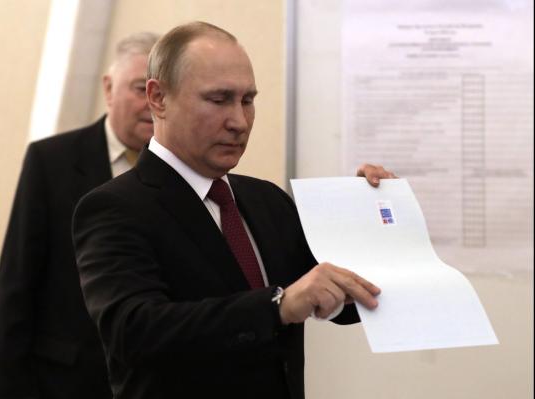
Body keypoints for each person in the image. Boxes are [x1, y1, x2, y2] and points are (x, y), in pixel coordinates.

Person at [72, 22, 394, 399]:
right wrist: (278, 307)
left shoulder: (267, 201)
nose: (239, 122)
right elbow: (133, 331)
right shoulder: (113, 208)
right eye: (218, 99)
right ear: (158, 97)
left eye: (247, 100)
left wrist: (374, 224)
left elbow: (338, 300)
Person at [0, 32, 159, 399]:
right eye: (136, 89)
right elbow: (16, 287)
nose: (149, 104)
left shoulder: (175, 173)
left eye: (157, 94)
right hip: (64, 380)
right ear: (109, 88)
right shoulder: (52, 163)